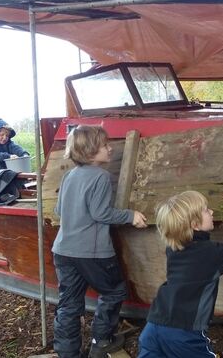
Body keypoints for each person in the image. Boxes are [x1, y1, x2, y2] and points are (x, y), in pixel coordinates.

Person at [52, 125, 148, 358]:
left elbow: (58, 210)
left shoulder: (68, 176)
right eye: (105, 145)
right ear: (91, 151)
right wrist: (130, 215)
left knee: (70, 303)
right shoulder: (101, 177)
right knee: (114, 292)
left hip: (63, 250)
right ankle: (102, 340)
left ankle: (67, 352)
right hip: (92, 252)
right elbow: (101, 214)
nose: (110, 148)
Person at [137, 191, 223, 358]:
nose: (212, 212)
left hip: (153, 324)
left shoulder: (174, 248)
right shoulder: (209, 253)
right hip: (183, 332)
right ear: (195, 224)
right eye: (206, 210)